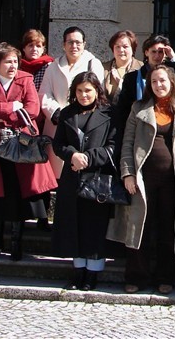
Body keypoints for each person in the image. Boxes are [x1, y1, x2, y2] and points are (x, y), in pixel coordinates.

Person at [0, 42, 57, 261]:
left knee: (19, 193)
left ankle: (17, 241)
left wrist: (4, 115)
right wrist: (12, 107)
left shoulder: (25, 79)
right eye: (8, 61)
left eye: (15, 61)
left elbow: (33, 108)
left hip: (21, 141)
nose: (12, 65)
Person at [107, 65, 175, 295]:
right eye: (154, 82)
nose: (158, 85)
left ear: (171, 82)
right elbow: (127, 142)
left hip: (173, 180)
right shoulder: (139, 108)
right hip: (143, 178)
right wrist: (127, 173)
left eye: (162, 80)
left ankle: (166, 276)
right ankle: (136, 276)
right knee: (139, 227)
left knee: (168, 228)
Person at [51, 71, 118, 291]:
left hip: (97, 178)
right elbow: (58, 143)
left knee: (94, 227)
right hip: (72, 177)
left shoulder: (109, 114)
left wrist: (89, 158)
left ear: (97, 90)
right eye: (79, 91)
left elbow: (113, 146)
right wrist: (71, 155)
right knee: (74, 224)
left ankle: (93, 274)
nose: (83, 95)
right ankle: (78, 271)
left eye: (88, 90)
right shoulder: (67, 113)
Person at [39, 26, 104, 177]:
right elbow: (44, 93)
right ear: (63, 45)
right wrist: (56, 112)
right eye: (70, 42)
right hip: (56, 124)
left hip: (83, 125)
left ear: (84, 44)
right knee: (55, 174)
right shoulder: (52, 66)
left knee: (78, 170)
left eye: (77, 42)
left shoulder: (93, 64)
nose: (74, 46)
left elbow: (97, 93)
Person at [18, 28, 55, 231]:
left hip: (43, 125)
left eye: (38, 45)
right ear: (23, 48)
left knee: (43, 173)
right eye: (30, 45)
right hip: (23, 126)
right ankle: (23, 214)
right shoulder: (18, 66)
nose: (34, 49)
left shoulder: (50, 66)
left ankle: (43, 217)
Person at [115, 34, 175, 128]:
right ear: (146, 52)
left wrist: (173, 58)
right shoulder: (132, 78)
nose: (157, 56)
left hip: (167, 124)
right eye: (153, 52)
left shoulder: (172, 74)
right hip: (140, 127)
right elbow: (123, 108)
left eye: (160, 52)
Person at [102, 30, 143, 105]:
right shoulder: (103, 68)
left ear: (133, 49)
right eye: (117, 46)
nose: (121, 50)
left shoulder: (141, 68)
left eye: (125, 47)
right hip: (106, 113)